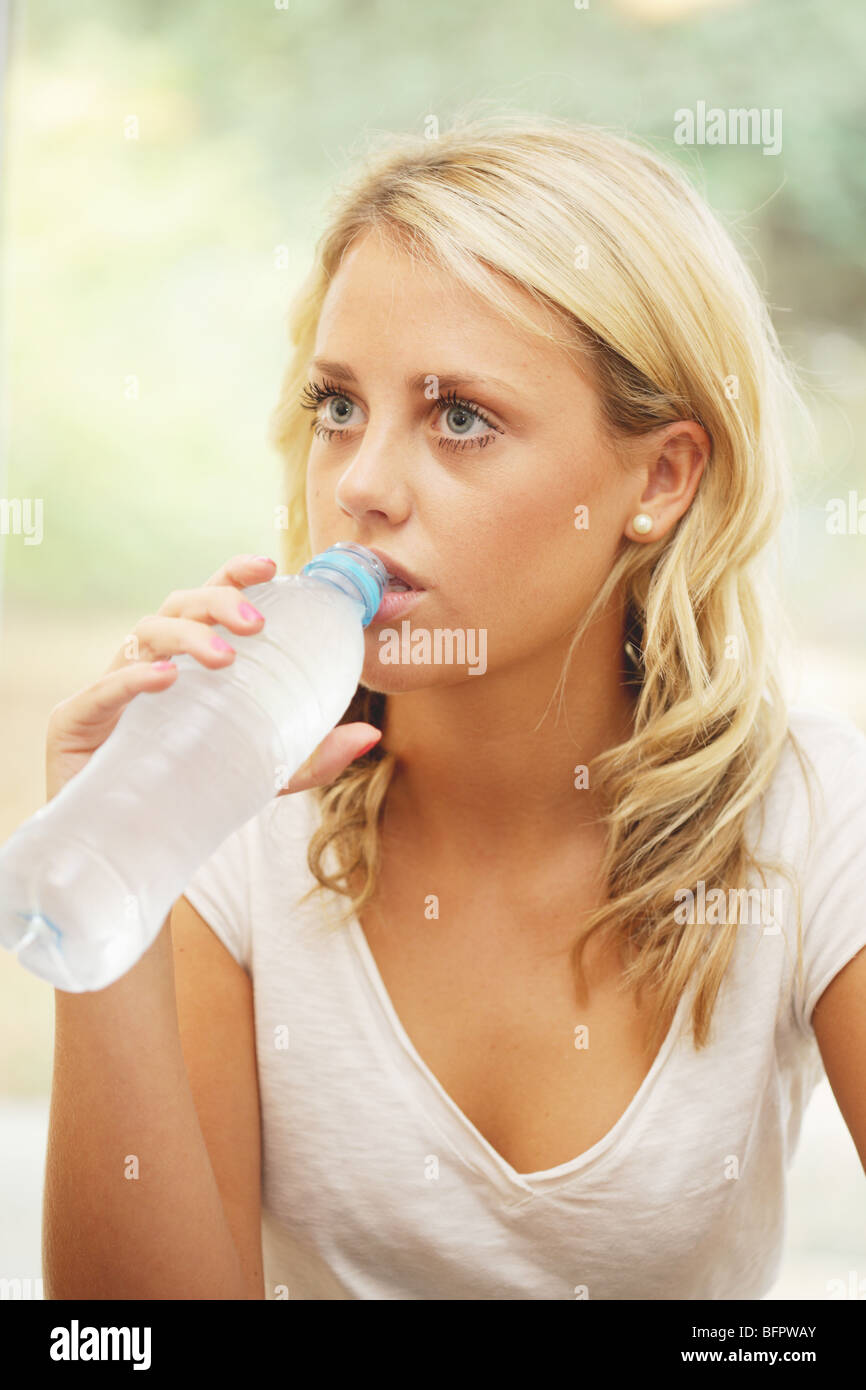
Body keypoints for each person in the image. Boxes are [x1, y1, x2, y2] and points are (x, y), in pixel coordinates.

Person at [43, 112, 866, 1301]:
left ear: (659, 478)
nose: (363, 486)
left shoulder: (811, 823)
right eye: (338, 407)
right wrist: (112, 864)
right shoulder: (227, 814)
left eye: (459, 417)